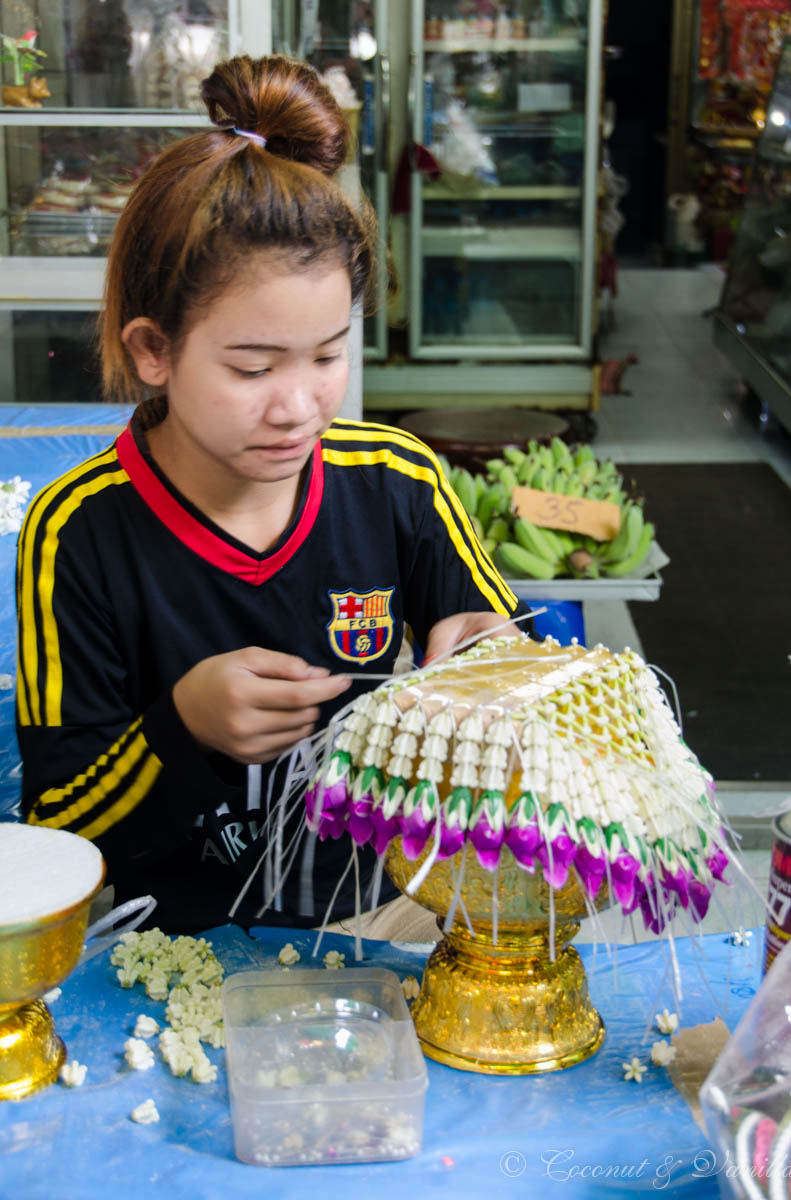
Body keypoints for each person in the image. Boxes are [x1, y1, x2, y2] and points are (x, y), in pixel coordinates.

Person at [15, 54, 529, 934]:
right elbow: (60, 819)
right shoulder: (80, 533)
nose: (298, 407)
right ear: (152, 351)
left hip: (380, 913)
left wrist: (495, 669)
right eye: (252, 367)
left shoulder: (395, 483)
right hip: (171, 936)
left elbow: (515, 675)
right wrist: (181, 726)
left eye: (328, 356)